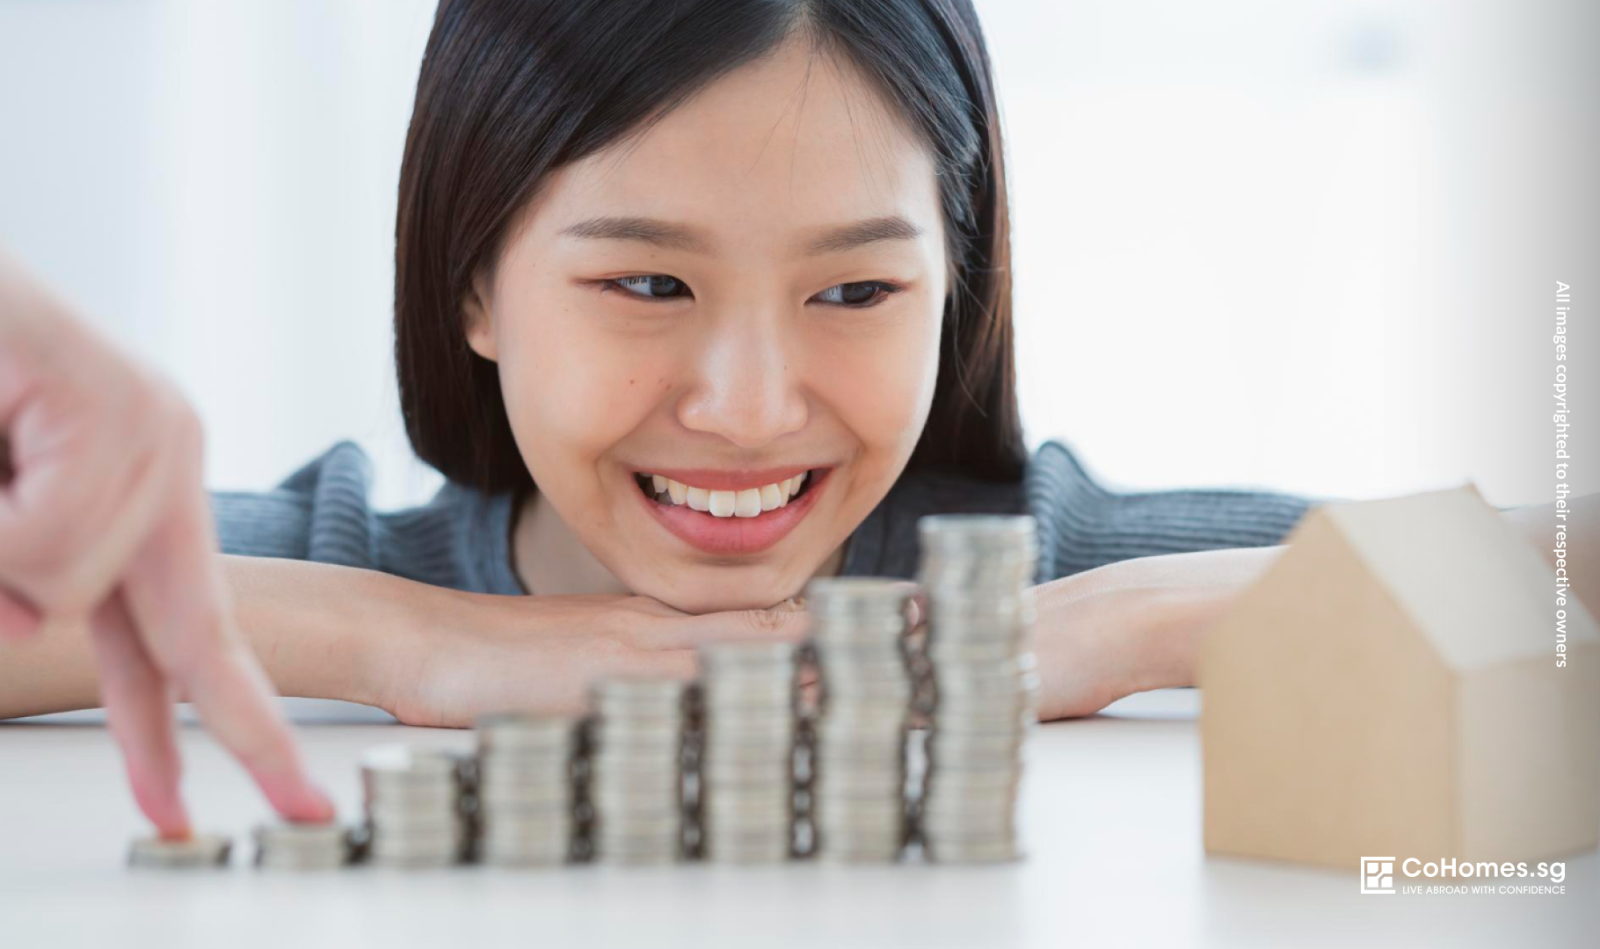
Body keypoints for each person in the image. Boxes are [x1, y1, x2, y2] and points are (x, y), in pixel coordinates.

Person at [0, 0, 1589, 842]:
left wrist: (1143, 620)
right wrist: (400, 641)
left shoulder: (1037, 569)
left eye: (856, 291)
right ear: (472, 285)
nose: (752, 409)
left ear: (956, 290)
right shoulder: (320, 567)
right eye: (646, 284)